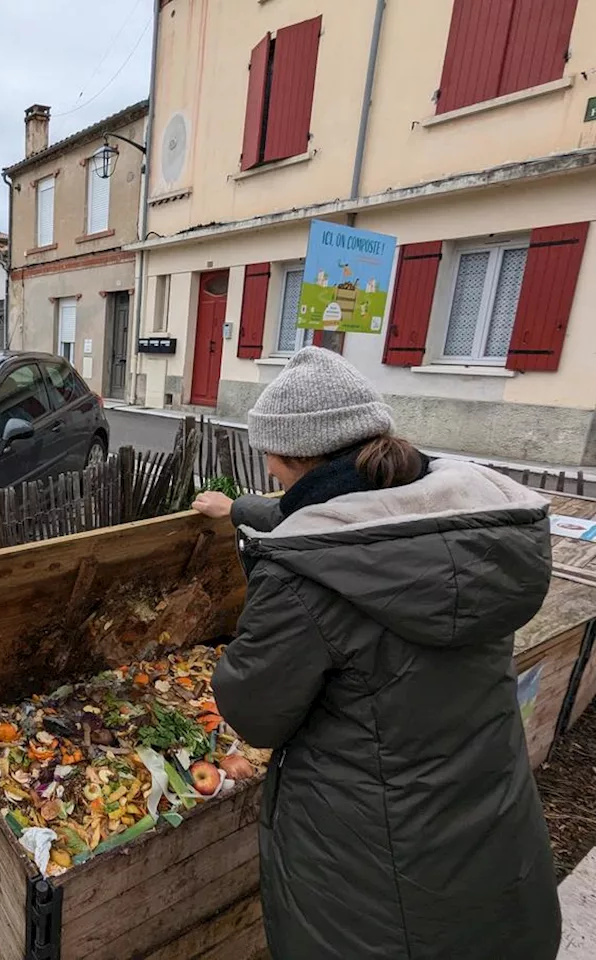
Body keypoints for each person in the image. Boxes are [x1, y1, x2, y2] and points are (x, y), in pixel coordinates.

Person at [192, 347, 561, 960]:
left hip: (371, 869)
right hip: (493, 834)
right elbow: (339, 518)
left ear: (286, 454)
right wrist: (238, 511)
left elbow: (254, 713)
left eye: (272, 459)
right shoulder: (464, 521)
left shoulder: (304, 580)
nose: (269, 470)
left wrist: (234, 655)